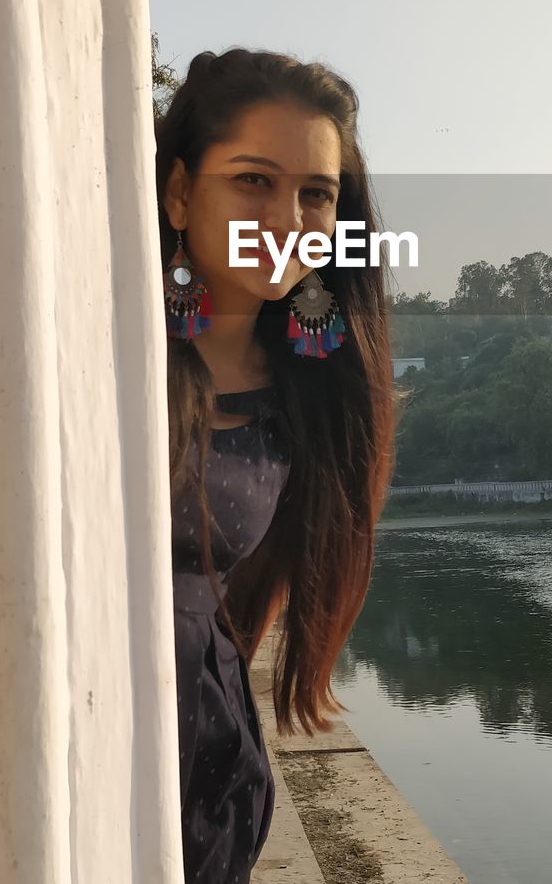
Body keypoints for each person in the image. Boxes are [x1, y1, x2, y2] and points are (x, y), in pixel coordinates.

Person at [154, 47, 396, 883]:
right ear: (181, 192)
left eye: (316, 194)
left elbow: (236, 602)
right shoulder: (107, 347)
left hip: (208, 787)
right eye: (254, 180)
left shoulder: (306, 393)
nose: (289, 217)